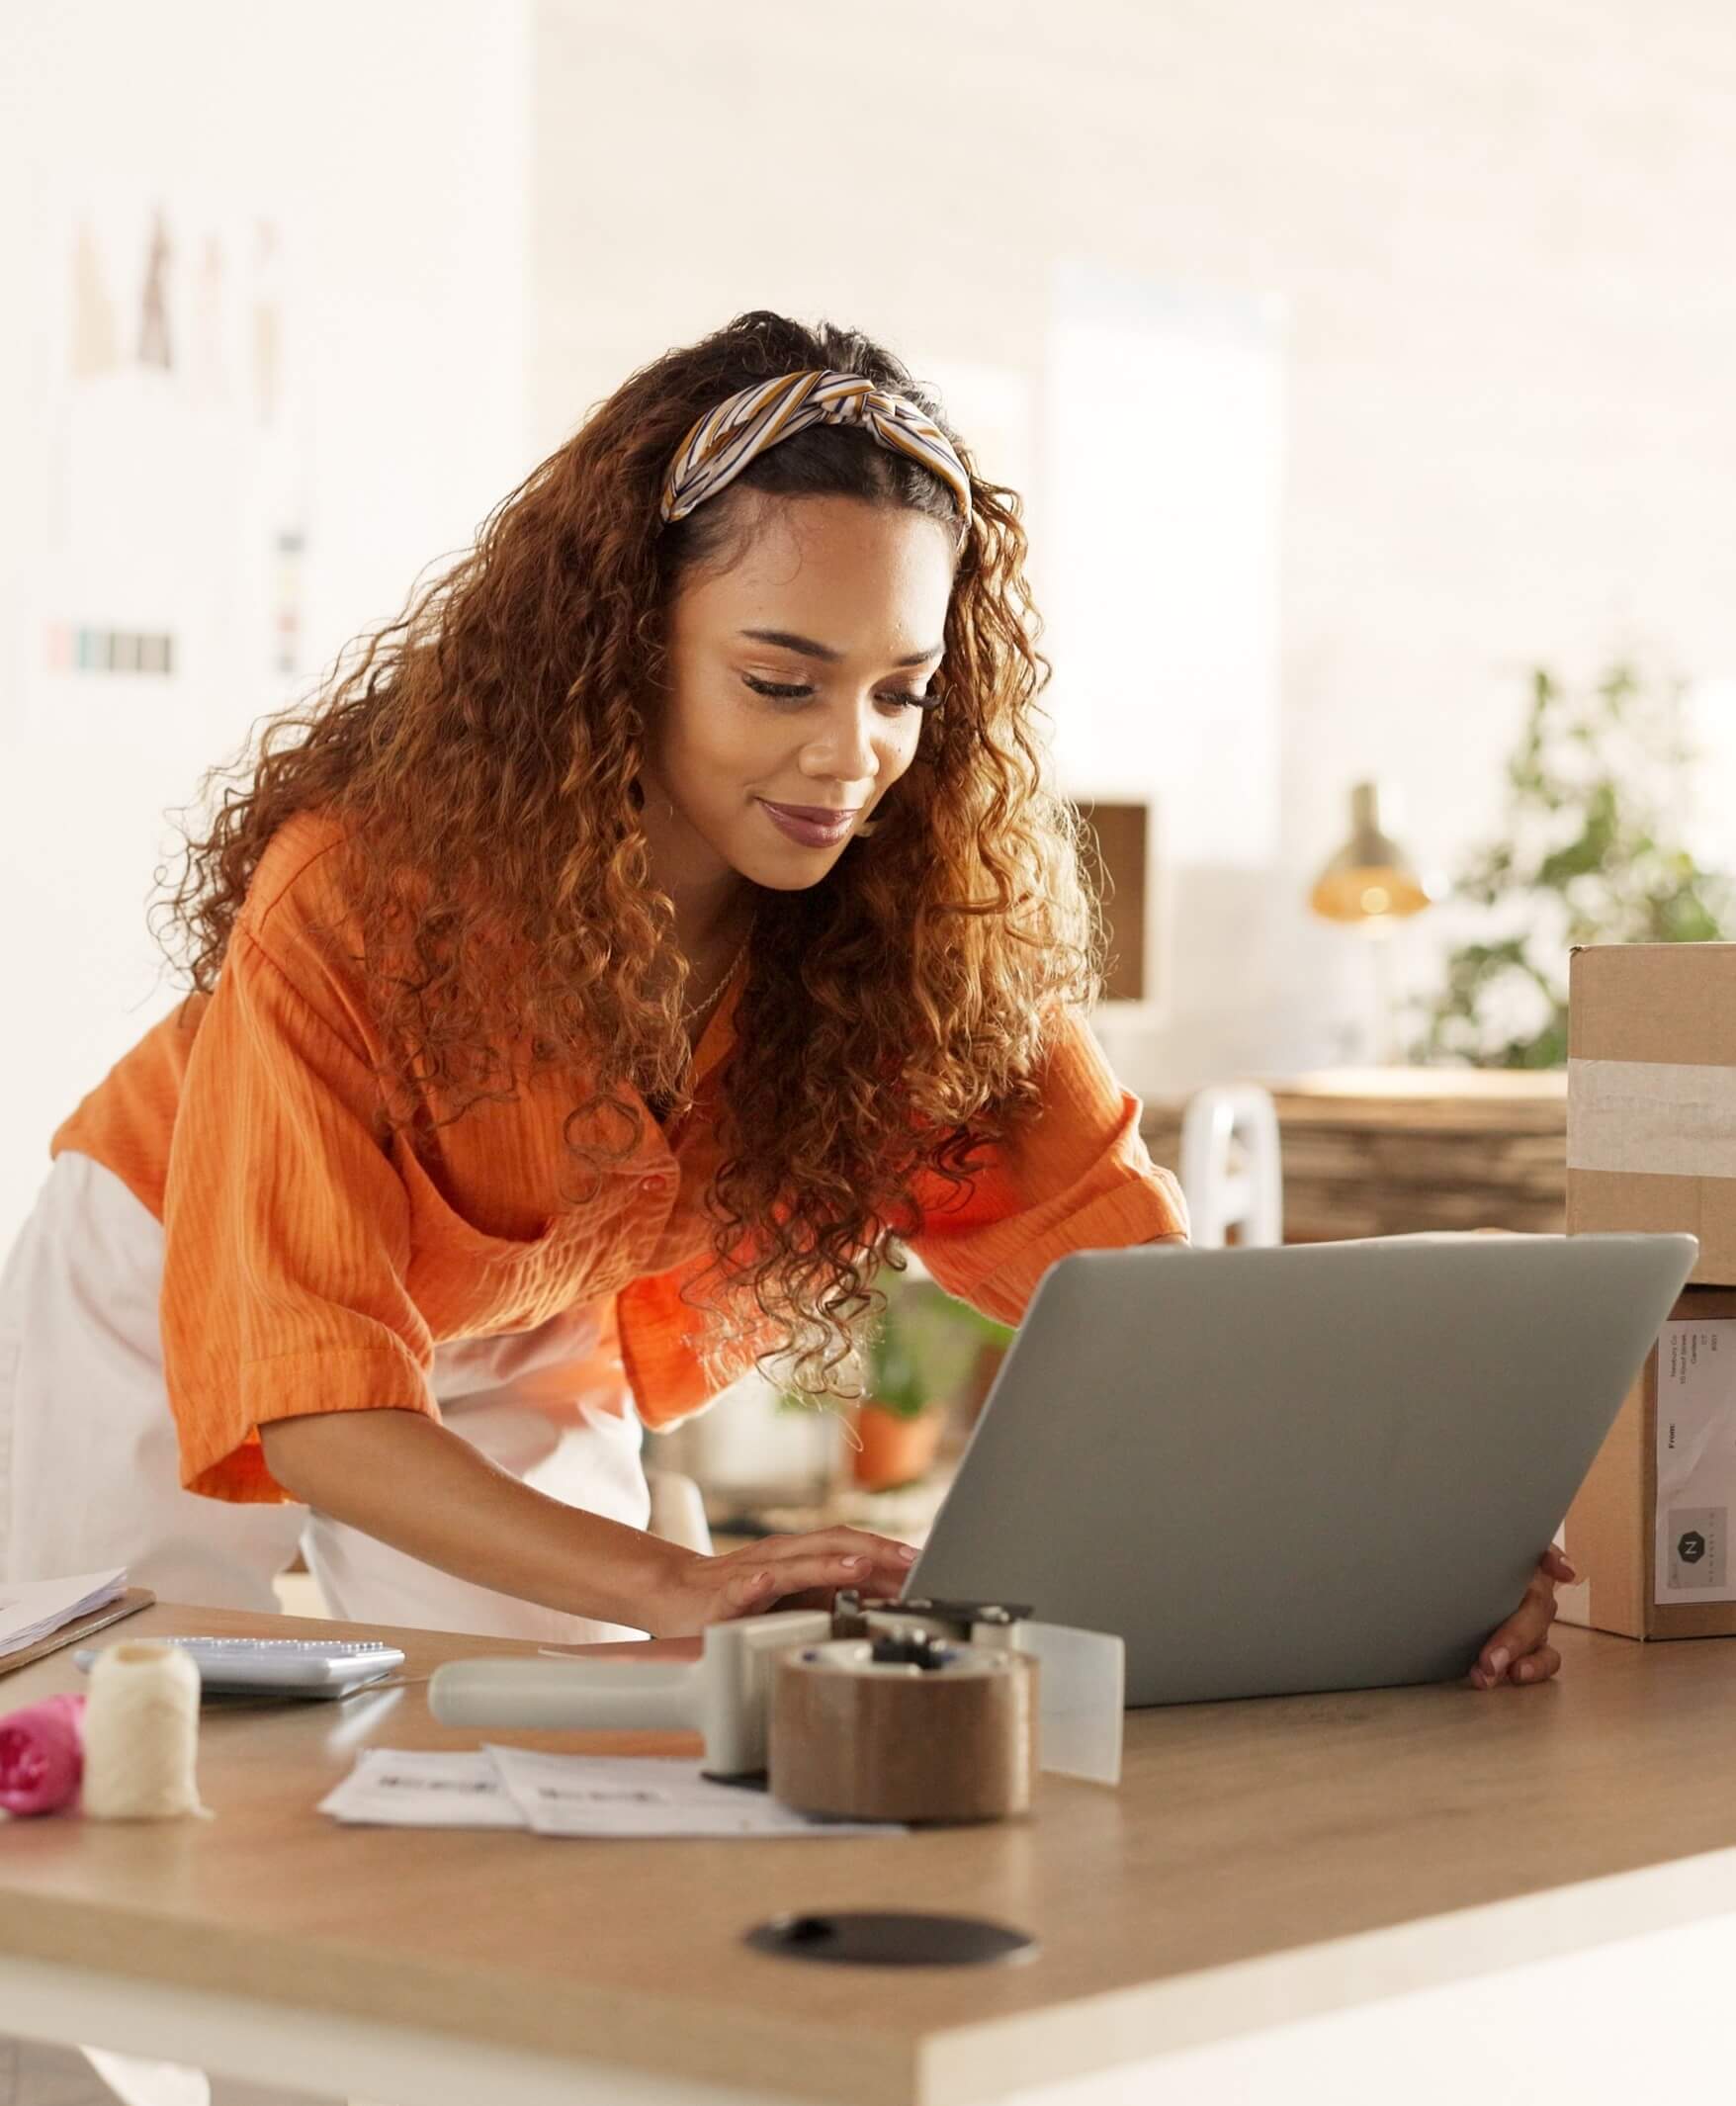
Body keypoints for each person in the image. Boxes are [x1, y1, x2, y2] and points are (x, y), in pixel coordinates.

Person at [0, 306, 1569, 2104]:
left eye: (902, 689)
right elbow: (317, 1397)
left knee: (540, 1824)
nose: (849, 756)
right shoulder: (353, 891)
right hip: (170, 1262)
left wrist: (1415, 1536)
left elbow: (1146, 1293)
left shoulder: (914, 932)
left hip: (519, 1315)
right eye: (780, 677)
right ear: (622, 643)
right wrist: (686, 1574)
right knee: (85, 1787)